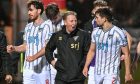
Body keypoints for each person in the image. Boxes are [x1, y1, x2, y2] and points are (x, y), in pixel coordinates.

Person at [83, 8, 133, 84]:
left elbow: (126, 53)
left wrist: (127, 73)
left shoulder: (118, 33)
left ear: (104, 19)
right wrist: (86, 66)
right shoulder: (95, 32)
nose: (95, 20)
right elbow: (92, 50)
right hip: (98, 71)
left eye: (97, 18)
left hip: (111, 72)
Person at [7, 1, 52, 84]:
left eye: (31, 10)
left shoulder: (47, 25)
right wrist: (14, 48)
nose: (28, 12)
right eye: (28, 10)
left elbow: (47, 47)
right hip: (28, 70)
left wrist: (34, 57)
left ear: (38, 11)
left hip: (42, 71)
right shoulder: (28, 27)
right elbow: (25, 46)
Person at [45, 11, 90, 84]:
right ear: (65, 22)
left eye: (75, 21)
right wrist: (53, 62)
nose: (74, 23)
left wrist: (82, 66)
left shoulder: (84, 35)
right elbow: (48, 49)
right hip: (61, 77)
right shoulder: (57, 35)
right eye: (71, 21)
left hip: (77, 78)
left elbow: (87, 53)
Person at [45, 3, 64, 84]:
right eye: (50, 18)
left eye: (55, 18)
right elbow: (45, 45)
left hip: (65, 60)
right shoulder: (46, 25)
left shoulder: (68, 23)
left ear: (59, 12)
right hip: (52, 60)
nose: (53, 20)